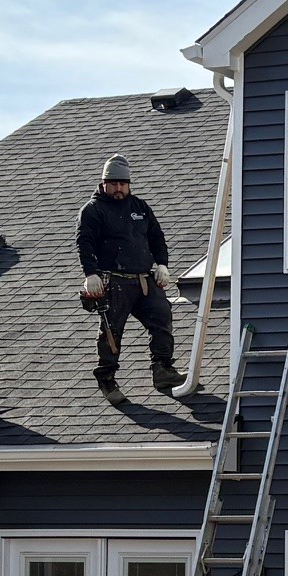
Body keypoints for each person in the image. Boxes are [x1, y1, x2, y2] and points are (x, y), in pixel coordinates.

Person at [76, 152, 179, 396]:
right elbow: (84, 243)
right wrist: (91, 274)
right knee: (111, 332)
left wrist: (162, 264)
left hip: (143, 279)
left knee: (162, 317)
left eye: (123, 184)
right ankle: (107, 378)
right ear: (104, 184)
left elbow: (156, 237)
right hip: (114, 281)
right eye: (114, 184)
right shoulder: (93, 210)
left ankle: (162, 369)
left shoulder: (140, 207)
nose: (119, 189)